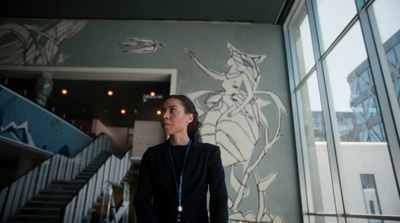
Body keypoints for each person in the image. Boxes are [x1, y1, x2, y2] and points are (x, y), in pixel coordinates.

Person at [133, 95, 228, 223]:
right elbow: (141, 200)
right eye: (163, 111)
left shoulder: (209, 153)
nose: (164, 116)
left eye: (172, 110)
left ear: (189, 118)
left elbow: (219, 200)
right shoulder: (152, 155)